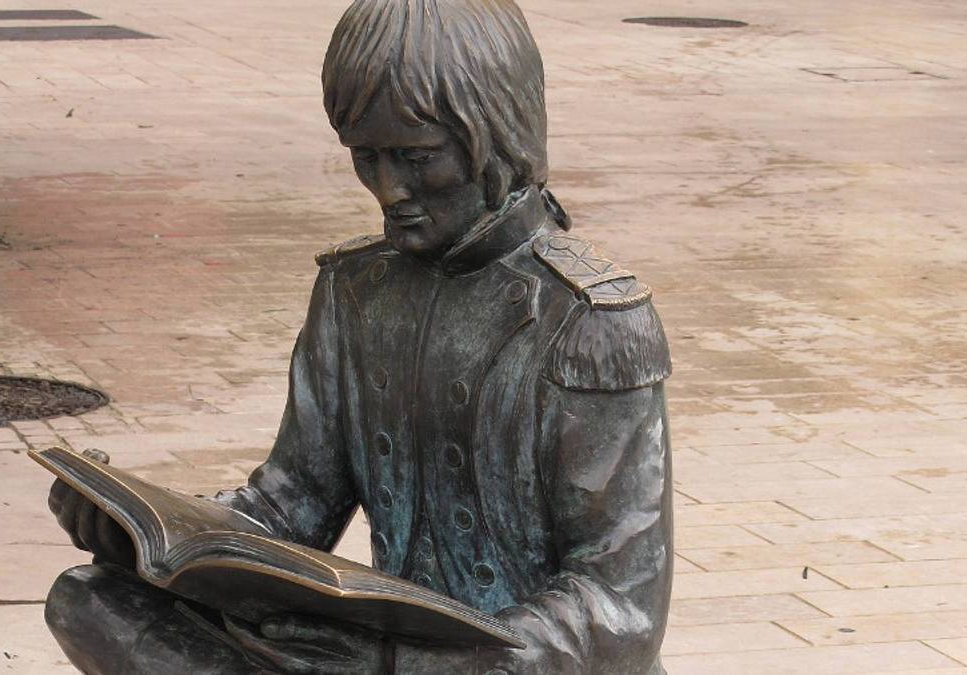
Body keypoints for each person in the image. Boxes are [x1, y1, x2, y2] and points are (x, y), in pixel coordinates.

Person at [44, 1, 673, 673]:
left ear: (497, 136)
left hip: (506, 667)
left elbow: (621, 609)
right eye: (365, 156)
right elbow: (290, 504)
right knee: (91, 598)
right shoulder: (354, 293)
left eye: (417, 157)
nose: (387, 188)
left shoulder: (590, 320)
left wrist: (404, 663)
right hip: (370, 653)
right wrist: (146, 532)